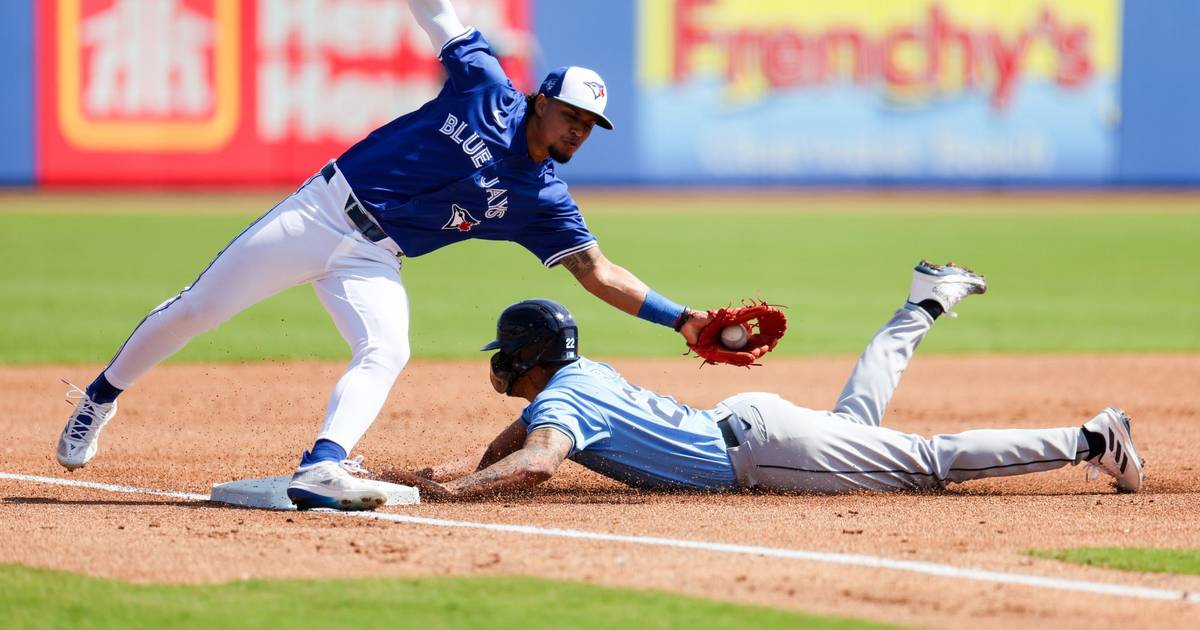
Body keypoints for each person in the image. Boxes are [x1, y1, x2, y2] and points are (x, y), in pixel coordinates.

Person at [55, 0, 713, 511]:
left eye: (589, 125)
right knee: (200, 308)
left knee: (388, 348)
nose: (578, 129)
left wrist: (682, 320)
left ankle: (323, 463)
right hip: (318, 212)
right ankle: (100, 396)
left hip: (375, 256)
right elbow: (438, 14)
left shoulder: (544, 199)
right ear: (541, 99)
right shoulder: (485, 86)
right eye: (571, 113)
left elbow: (598, 271)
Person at [384, 261, 1145, 500]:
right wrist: (426, 478)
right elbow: (514, 443)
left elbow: (538, 460)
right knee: (860, 422)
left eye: (505, 353)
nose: (499, 365)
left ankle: (1091, 437)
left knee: (927, 465)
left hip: (757, 453)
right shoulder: (580, 379)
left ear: (524, 356)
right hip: (756, 424)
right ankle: (926, 299)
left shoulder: (562, 402)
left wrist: (454, 494)